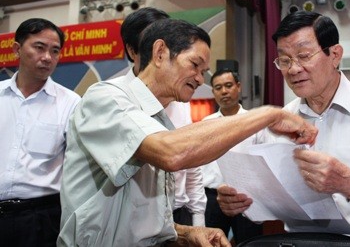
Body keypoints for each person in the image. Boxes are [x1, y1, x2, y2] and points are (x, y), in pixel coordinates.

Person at [58, 18, 318, 246]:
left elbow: (136, 217)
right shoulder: (106, 97)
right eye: (195, 65)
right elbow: (172, 154)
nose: (200, 79)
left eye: (204, 71)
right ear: (160, 52)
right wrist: (268, 114)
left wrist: (184, 234)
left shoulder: (158, 118)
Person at [217, 11, 350, 247]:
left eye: (304, 56)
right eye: (284, 60)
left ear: (335, 54)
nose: (293, 69)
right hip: (299, 242)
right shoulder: (281, 120)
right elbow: (270, 199)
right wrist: (242, 202)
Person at [122, 7, 207, 227]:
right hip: (133, 222)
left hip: (177, 215)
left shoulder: (180, 98)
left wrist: (198, 217)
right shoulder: (112, 98)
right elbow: (171, 154)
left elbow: (191, 164)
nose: (199, 79)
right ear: (133, 51)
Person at [0, 18, 80, 246]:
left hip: (40, 217)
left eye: (55, 51)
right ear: (17, 49)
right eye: (39, 47)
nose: (47, 57)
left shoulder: (71, 103)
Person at [201, 68, 263, 244]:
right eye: (218, 87)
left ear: (239, 86)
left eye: (228, 86)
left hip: (247, 197)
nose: (224, 91)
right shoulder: (206, 125)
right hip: (212, 198)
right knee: (212, 243)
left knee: (251, 243)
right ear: (213, 92)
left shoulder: (255, 121)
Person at [166, 101, 207, 227]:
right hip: (143, 218)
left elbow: (191, 168)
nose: (199, 80)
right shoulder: (126, 97)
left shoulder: (181, 105)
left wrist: (198, 215)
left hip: (180, 212)